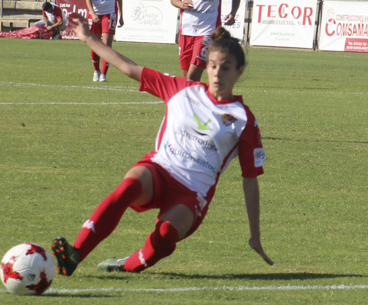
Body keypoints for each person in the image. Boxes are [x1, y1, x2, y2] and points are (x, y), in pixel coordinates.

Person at [51, 16, 272, 277]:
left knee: (165, 236)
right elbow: (127, 67)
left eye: (226, 68)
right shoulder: (181, 89)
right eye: (212, 66)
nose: (217, 73)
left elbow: (250, 180)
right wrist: (89, 38)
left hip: (192, 192)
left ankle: (128, 264)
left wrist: (255, 236)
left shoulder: (244, 120)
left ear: (239, 71)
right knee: (128, 187)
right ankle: (75, 253)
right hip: (160, 169)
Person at [85, 0, 125, 82]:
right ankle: (96, 70)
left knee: (107, 44)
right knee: (95, 43)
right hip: (96, 13)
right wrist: (92, 12)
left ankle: (104, 74)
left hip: (110, 12)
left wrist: (121, 15)